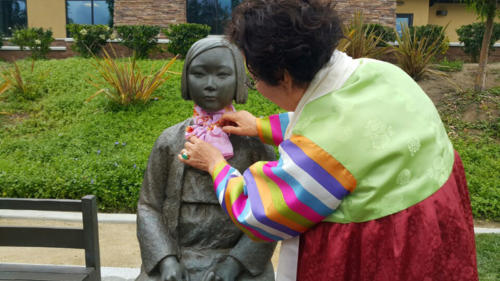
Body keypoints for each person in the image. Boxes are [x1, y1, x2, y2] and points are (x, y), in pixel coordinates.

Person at [179, 0, 479, 280]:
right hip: (438, 218)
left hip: (388, 247)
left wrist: (216, 164)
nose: (253, 84)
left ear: (282, 76)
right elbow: (351, 128)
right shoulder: (382, 72)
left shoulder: (321, 152)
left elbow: (257, 210)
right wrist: (260, 126)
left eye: (253, 77)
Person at [136, 37, 276, 281]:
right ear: (186, 80)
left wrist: (235, 263)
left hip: (237, 261)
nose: (210, 85)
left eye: (222, 75)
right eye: (199, 74)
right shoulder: (169, 141)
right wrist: (166, 259)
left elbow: (270, 210)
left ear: (238, 81)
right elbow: (149, 206)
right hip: (178, 255)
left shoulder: (257, 146)